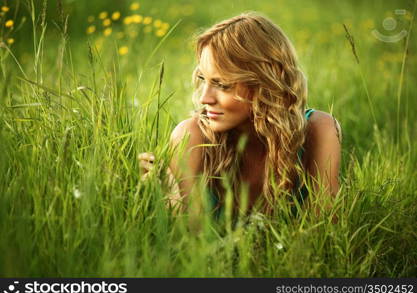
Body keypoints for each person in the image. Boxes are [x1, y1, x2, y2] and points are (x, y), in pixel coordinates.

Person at [139, 12, 342, 220]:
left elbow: (325, 231)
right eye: (203, 79)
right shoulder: (191, 137)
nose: (204, 98)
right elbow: (192, 240)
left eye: (222, 84)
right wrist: (170, 194)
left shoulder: (319, 129)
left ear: (264, 83)